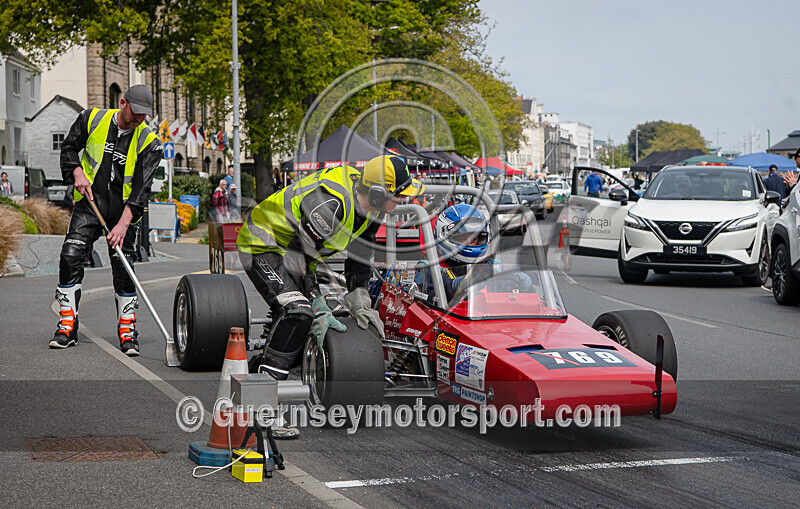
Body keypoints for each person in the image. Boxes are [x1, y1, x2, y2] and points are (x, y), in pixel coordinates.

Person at [236, 155, 424, 380]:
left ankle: (276, 357)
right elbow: (300, 256)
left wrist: (359, 298)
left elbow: (361, 254)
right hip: (262, 242)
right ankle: (264, 379)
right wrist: (317, 302)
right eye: (399, 194)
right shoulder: (331, 205)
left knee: (308, 315)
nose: (403, 199)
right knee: (299, 312)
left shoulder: (374, 207)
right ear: (378, 193)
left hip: (295, 252)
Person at [50, 84, 162, 354]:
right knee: (70, 255)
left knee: (123, 266)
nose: (138, 120)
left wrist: (124, 224)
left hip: (123, 212)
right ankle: (67, 325)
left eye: (143, 116)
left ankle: (127, 330)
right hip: (89, 204)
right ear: (123, 103)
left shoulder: (150, 143)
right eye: (135, 113)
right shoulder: (91, 118)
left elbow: (141, 189)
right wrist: (76, 171)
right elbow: (69, 148)